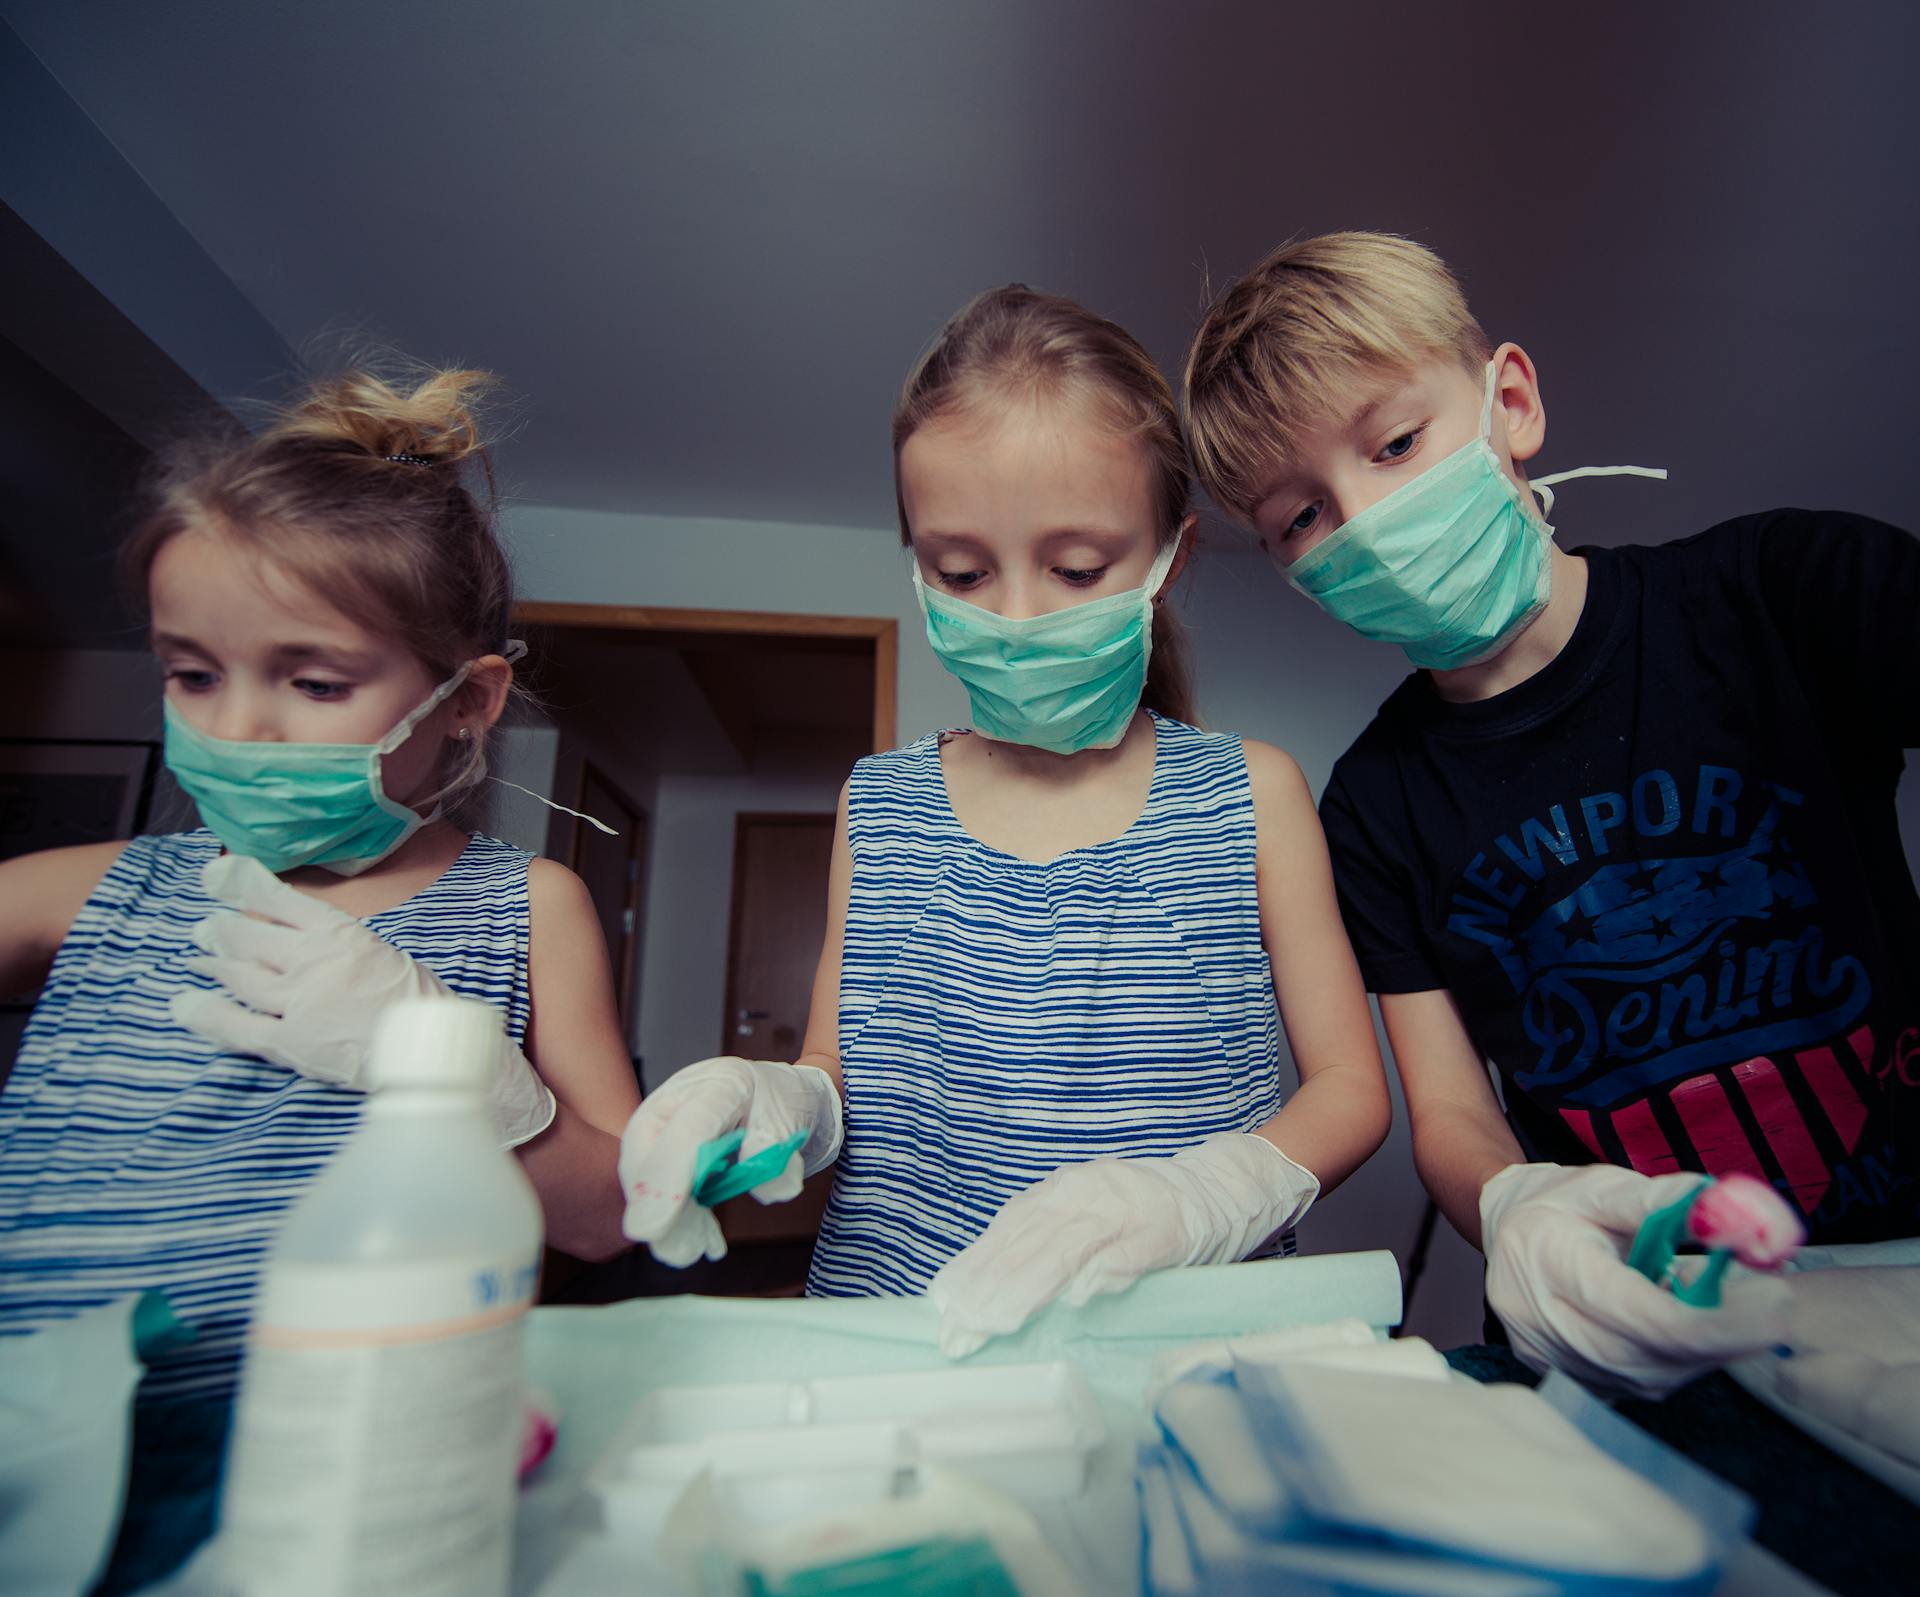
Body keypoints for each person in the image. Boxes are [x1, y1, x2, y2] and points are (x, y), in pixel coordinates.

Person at [1183, 231, 1919, 1396]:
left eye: (1397, 443)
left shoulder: (1785, 594)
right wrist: (1517, 1204)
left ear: (1510, 401)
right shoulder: (1375, 807)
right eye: (1302, 517)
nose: (1368, 517)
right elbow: (1451, 1113)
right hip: (1621, 1326)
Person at [620, 286, 1391, 1356]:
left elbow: (1351, 1088)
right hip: (899, 1341)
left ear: (1171, 556)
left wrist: (1208, 1194)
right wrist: (772, 1100)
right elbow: (836, 1066)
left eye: (1077, 569)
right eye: (962, 572)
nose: (1016, 616)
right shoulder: (879, 804)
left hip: (1174, 1341)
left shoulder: (1251, 794)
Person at [0, 364, 639, 1408]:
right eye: (193, 673)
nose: (235, 727)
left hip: (354, 1451)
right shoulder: (78, 891)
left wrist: (476, 1087)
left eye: (313, 681)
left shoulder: (529, 906)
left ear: (467, 701)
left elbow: (611, 1220)